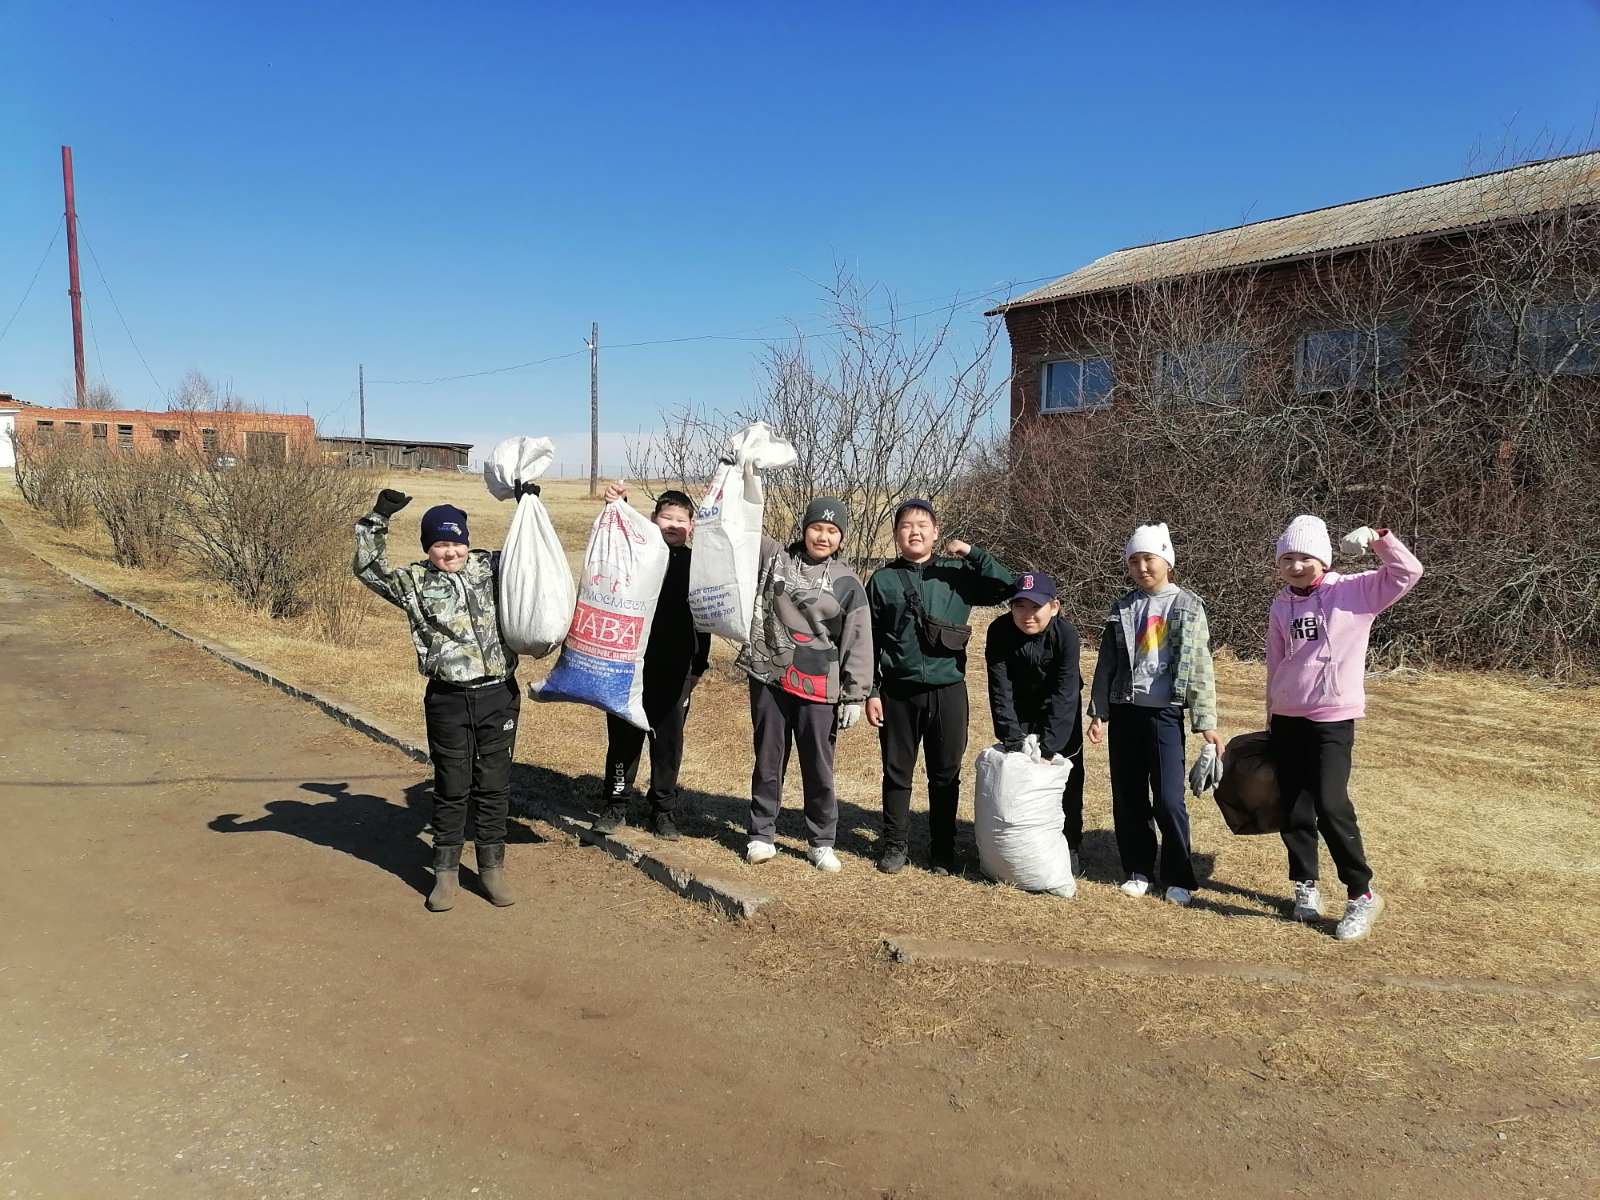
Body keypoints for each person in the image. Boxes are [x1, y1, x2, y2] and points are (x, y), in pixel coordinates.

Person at [353, 488, 524, 912]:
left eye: (456, 542)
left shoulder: (491, 566)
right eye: (440, 544)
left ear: (468, 541)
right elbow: (367, 568)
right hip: (448, 699)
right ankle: (445, 872)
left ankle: (491, 868)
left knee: (494, 785)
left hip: (499, 695)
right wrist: (378, 518)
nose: (450, 552)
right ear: (428, 548)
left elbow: (534, 552)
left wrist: (527, 500)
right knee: (452, 786)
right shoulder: (413, 582)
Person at [1268, 516, 1423, 943]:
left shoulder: (1354, 591)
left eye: (1304, 558)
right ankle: (1306, 885)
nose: (1296, 566)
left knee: (1331, 803)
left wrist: (1380, 540)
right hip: (1287, 717)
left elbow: (1408, 573)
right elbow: (1276, 660)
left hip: (1333, 718)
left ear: (1322, 558)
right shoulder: (1281, 603)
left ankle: (1362, 893)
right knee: (1295, 806)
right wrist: (1271, 713)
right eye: (1287, 559)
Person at [866, 498, 1015, 875]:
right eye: (905, 526)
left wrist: (973, 552)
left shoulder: (957, 573)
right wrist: (870, 690)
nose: (914, 531)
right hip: (897, 690)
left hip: (948, 689)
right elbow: (867, 638)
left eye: (922, 524)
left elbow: (1006, 586)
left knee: (945, 774)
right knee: (896, 772)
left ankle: (942, 850)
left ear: (935, 531)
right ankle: (895, 845)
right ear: (896, 535)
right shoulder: (882, 581)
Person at [1087, 522, 1221, 907]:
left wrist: (1205, 722)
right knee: (1128, 796)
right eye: (1135, 561)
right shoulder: (1124, 607)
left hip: (1165, 714)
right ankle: (1138, 870)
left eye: (1150, 559)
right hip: (1126, 711)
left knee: (1168, 799)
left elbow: (1200, 666)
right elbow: (1107, 662)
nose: (1143, 567)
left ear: (1166, 560)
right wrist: (1100, 712)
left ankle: (1179, 876)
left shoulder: (1188, 605)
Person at [738, 497, 873, 872]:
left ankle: (821, 841)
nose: (823, 536)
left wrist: (855, 695)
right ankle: (761, 834)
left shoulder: (848, 582)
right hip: (771, 676)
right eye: (817, 528)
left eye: (832, 531)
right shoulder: (775, 558)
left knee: (819, 765)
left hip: (820, 687)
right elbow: (742, 527)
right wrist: (744, 473)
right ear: (804, 529)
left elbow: (858, 640)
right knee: (768, 757)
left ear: (841, 538)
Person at [593, 484, 711, 840]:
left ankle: (663, 810)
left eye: (681, 519)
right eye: (666, 517)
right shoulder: (639, 553)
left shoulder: (698, 564)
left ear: (692, 526)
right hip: (629, 666)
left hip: (675, 670)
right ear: (653, 519)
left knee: (668, 743)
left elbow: (706, 621)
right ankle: (615, 804)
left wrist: (697, 669)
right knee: (623, 740)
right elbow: (617, 538)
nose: (673, 525)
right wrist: (619, 503)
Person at [983, 571, 1086, 877]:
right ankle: (1020, 841)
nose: (1027, 615)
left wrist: (1050, 746)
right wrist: (1014, 740)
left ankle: (1070, 843)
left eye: (1035, 607)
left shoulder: (1066, 635)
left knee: (1068, 780)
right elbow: (999, 690)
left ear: (1054, 607)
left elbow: (1065, 693)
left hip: (1059, 712)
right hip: (1019, 707)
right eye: (1020, 607)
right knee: (1018, 777)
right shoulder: (999, 631)